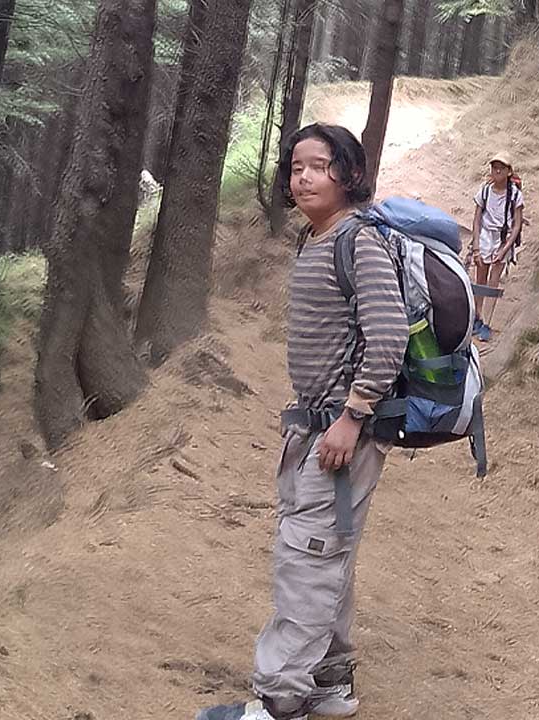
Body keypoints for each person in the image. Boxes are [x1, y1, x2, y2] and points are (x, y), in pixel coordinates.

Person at [196, 123, 408, 720]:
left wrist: (352, 416)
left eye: (319, 165)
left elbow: (388, 335)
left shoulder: (358, 241)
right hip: (312, 429)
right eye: (296, 167)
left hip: (341, 433)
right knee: (324, 554)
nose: (305, 177)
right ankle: (328, 685)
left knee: (306, 558)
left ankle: (278, 700)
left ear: (348, 172)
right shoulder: (314, 239)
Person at [468, 152, 524, 342]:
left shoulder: (515, 195)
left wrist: (505, 248)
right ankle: (477, 317)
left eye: (501, 167)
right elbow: (476, 219)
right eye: (494, 166)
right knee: (480, 279)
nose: (497, 170)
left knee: (493, 283)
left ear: (509, 171)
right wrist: (476, 246)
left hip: (502, 238)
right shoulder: (484, 191)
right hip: (485, 236)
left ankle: (487, 322)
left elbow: (517, 225)